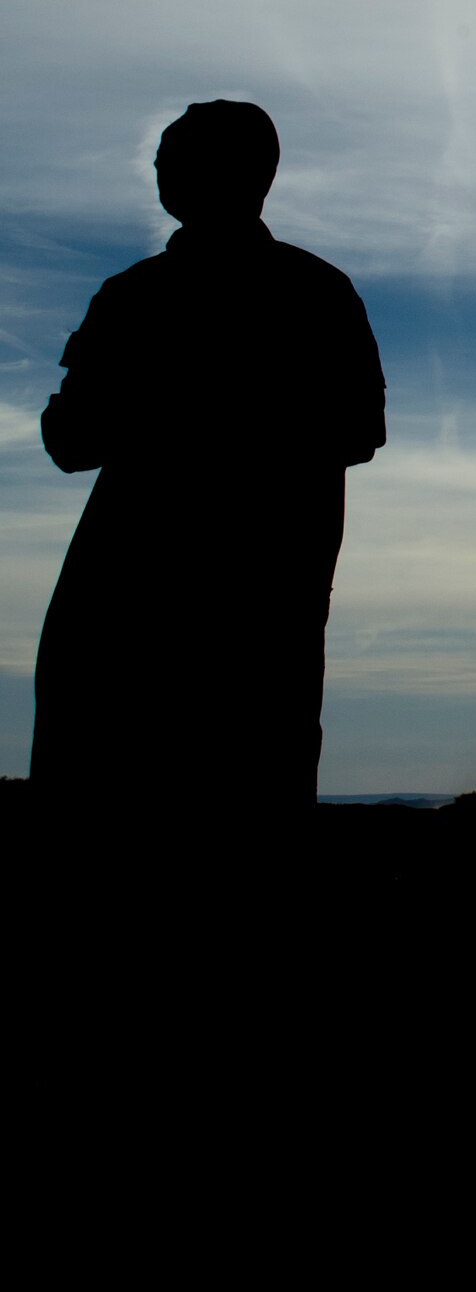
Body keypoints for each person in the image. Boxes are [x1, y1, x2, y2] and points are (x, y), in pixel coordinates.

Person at [30, 101, 385, 817]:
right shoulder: (312, 290)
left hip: (191, 596)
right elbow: (356, 430)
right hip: (239, 598)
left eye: (173, 157)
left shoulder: (143, 298)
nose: (160, 170)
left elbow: (73, 438)